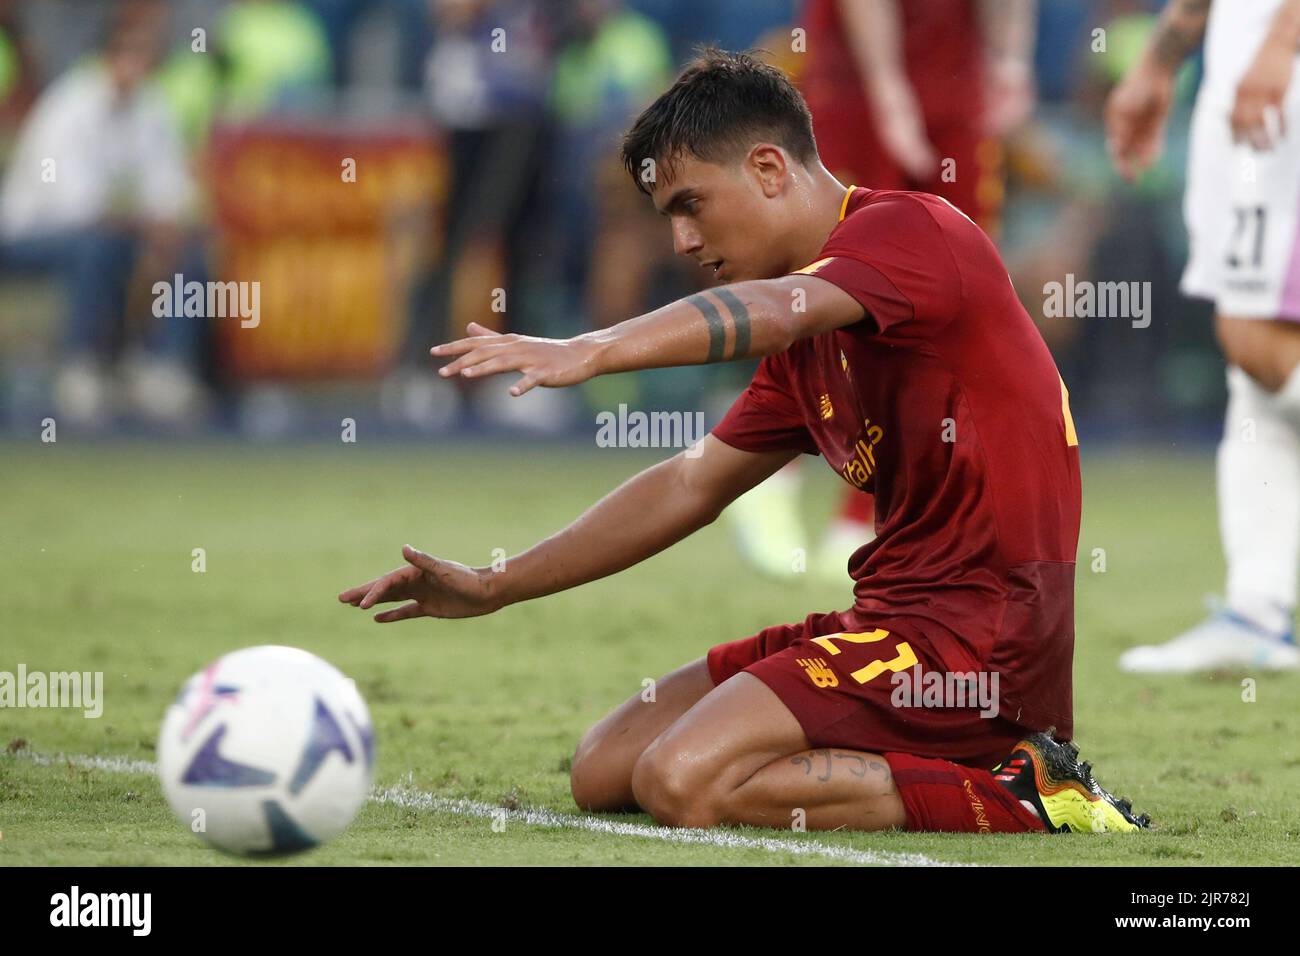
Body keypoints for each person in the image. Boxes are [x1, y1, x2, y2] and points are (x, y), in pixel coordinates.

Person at [341, 49, 1148, 834]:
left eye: (690, 205)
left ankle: (1028, 790)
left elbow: (779, 308)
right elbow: (690, 485)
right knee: (605, 769)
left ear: (768, 169)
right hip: (892, 626)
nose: (683, 243)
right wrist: (498, 583)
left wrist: (594, 347)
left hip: (980, 651)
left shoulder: (912, 230)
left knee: (680, 780)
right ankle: (936, 767)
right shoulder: (804, 343)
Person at [1107, 0, 1300, 671]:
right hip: (1243, 71)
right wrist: (1164, 56)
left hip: (1279, 76)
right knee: (1254, 371)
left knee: (1257, 338)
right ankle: (1258, 609)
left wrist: (1282, 41)